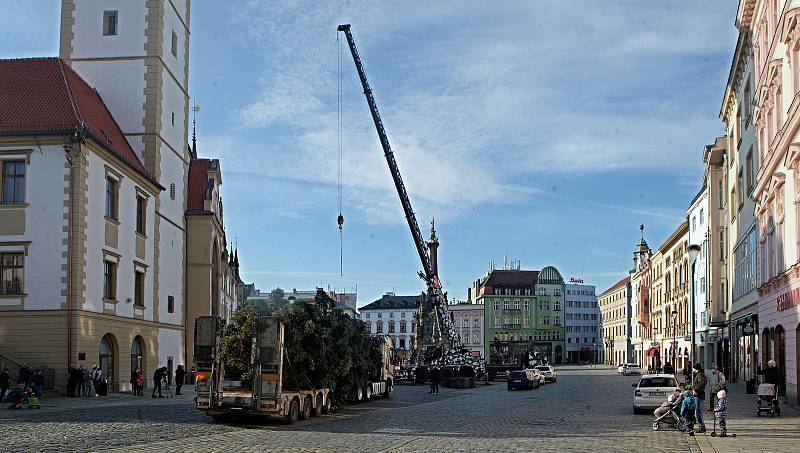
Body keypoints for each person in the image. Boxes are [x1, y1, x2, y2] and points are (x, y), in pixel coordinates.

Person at [691, 363, 707, 433]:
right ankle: (701, 426)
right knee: (697, 411)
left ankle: (701, 427)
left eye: (693, 368)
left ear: (696, 368)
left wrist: (695, 389)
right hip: (698, 395)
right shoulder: (699, 374)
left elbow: (703, 382)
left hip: (699, 395)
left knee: (698, 411)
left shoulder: (700, 374)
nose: (692, 369)